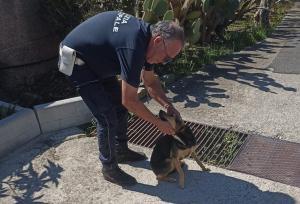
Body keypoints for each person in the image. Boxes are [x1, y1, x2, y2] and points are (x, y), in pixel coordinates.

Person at [59, 10, 185, 186]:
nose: (164, 62)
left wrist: (167, 105)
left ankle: (120, 150)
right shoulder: (134, 47)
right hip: (77, 62)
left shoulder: (148, 41)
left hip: (98, 61)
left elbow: (149, 82)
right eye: (166, 58)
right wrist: (158, 123)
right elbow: (130, 100)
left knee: (119, 107)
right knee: (107, 116)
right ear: (158, 41)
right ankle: (109, 168)